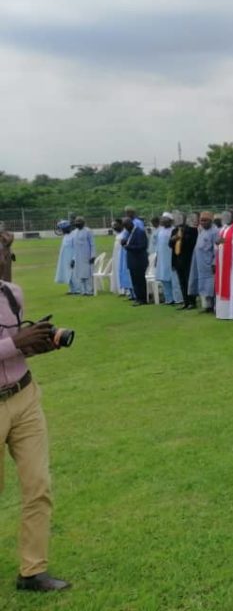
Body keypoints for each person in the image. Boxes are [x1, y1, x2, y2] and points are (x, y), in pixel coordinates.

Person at [0, 278, 71, 591]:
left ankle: (33, 571)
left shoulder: (11, 293)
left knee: (38, 485)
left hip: (25, 396)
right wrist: (15, 342)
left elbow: (16, 348)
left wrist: (35, 345)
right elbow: (11, 344)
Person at [189, 212, 219, 313]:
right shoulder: (202, 231)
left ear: (211, 221)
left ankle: (215, 306)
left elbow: (218, 249)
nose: (203, 222)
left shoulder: (215, 232)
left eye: (205, 220)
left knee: (211, 286)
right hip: (200, 263)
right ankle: (208, 306)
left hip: (209, 264)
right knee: (203, 285)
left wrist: (214, 262)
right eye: (201, 220)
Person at [170, 212, 198, 310]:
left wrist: (182, 237)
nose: (177, 220)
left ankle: (192, 301)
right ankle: (185, 301)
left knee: (188, 281)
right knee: (181, 282)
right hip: (178, 259)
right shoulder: (174, 230)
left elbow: (192, 243)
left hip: (188, 259)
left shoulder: (191, 230)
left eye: (179, 218)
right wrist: (173, 239)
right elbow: (170, 244)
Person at [122, 208, 149, 305]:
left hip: (139, 260)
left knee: (140, 280)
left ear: (130, 224)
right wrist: (124, 243)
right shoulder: (130, 233)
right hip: (132, 261)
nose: (125, 228)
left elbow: (142, 246)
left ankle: (142, 299)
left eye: (126, 226)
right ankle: (138, 297)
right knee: (134, 280)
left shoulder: (139, 232)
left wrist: (129, 247)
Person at [214, 210, 233, 319]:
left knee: (230, 283)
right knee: (221, 283)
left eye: (228, 216)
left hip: (231, 261)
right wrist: (218, 242)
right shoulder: (223, 228)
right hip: (221, 260)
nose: (226, 218)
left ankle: (232, 313)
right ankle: (222, 313)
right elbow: (220, 243)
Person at [154, 213, 178, 305]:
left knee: (173, 279)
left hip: (171, 257)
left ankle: (177, 299)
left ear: (170, 221)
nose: (162, 221)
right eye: (162, 219)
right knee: (164, 279)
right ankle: (169, 299)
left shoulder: (174, 230)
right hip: (162, 258)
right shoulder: (160, 231)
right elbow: (158, 246)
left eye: (165, 219)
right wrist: (157, 257)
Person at [68, 217, 95, 295]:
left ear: (83, 223)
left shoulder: (88, 231)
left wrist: (93, 255)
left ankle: (89, 291)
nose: (77, 223)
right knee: (79, 274)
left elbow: (92, 244)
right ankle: (83, 291)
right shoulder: (74, 232)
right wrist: (73, 259)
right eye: (76, 222)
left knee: (87, 274)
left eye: (79, 222)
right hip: (77, 256)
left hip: (87, 255)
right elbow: (73, 247)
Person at [54, 221, 74, 292]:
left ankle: (77, 289)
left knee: (73, 274)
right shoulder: (65, 236)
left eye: (63, 229)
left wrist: (73, 259)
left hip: (72, 258)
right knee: (68, 274)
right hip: (65, 259)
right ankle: (71, 289)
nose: (62, 231)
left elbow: (75, 248)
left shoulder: (73, 235)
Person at [108, 218, 124, 296]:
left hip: (121, 255)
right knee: (116, 270)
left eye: (116, 225)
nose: (114, 227)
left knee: (121, 270)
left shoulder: (124, 233)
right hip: (116, 255)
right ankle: (119, 288)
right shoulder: (118, 234)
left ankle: (123, 289)